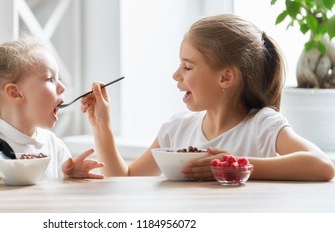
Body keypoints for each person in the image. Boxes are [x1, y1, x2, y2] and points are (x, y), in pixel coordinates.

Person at [81, 13, 335, 181]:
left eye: (187, 67)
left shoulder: (262, 125)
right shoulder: (177, 129)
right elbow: (125, 180)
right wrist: (101, 125)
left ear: (225, 77)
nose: (175, 75)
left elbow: (322, 165)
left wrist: (235, 166)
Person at [0, 38, 104, 184]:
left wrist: (69, 177)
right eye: (49, 79)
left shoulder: (54, 145)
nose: (62, 87)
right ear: (15, 93)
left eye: (58, 78)